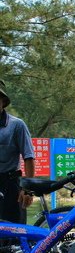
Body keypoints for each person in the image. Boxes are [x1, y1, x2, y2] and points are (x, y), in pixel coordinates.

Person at [0, 79, 35, 224]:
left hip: (10, 186)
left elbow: (29, 157)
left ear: (3, 101)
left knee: (15, 235)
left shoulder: (16, 125)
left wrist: (27, 189)